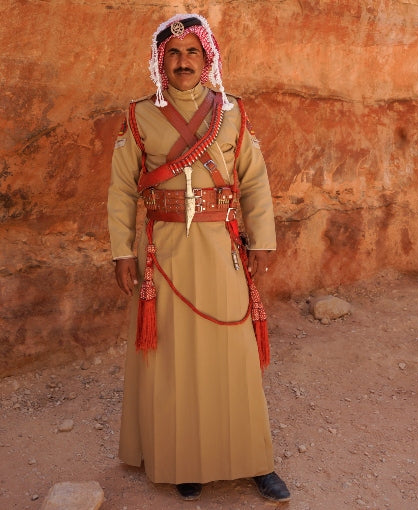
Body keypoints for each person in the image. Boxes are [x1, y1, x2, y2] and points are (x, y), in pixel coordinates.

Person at [107, 13, 290, 502]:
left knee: (234, 355)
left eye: (192, 52)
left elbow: (253, 179)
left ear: (206, 57)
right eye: (173, 53)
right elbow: (123, 189)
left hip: (221, 249)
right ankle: (184, 461)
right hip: (161, 255)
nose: (183, 62)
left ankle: (255, 462)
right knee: (173, 358)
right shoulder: (139, 114)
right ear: (160, 61)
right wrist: (120, 251)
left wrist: (264, 239)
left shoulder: (232, 112)